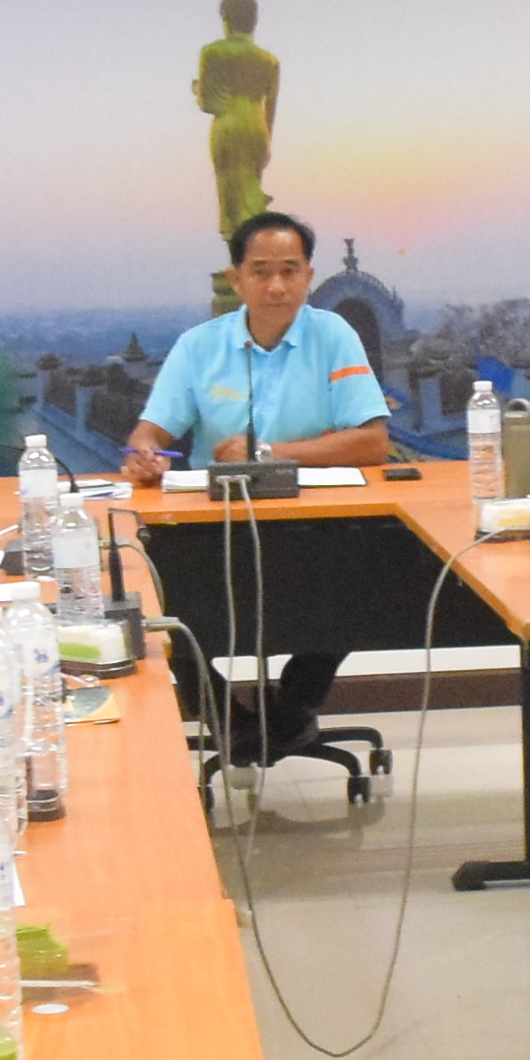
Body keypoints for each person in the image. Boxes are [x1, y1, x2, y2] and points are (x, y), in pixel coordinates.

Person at [121, 208, 395, 757]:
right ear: (236, 278)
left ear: (309, 276)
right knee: (152, 602)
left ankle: (294, 705)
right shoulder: (200, 346)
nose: (276, 286)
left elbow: (372, 442)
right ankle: (226, 714)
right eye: (261, 271)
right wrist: (144, 454)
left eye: (290, 271)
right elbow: (149, 432)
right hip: (210, 527)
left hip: (315, 523)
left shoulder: (332, 335)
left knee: (370, 579)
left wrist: (271, 452)